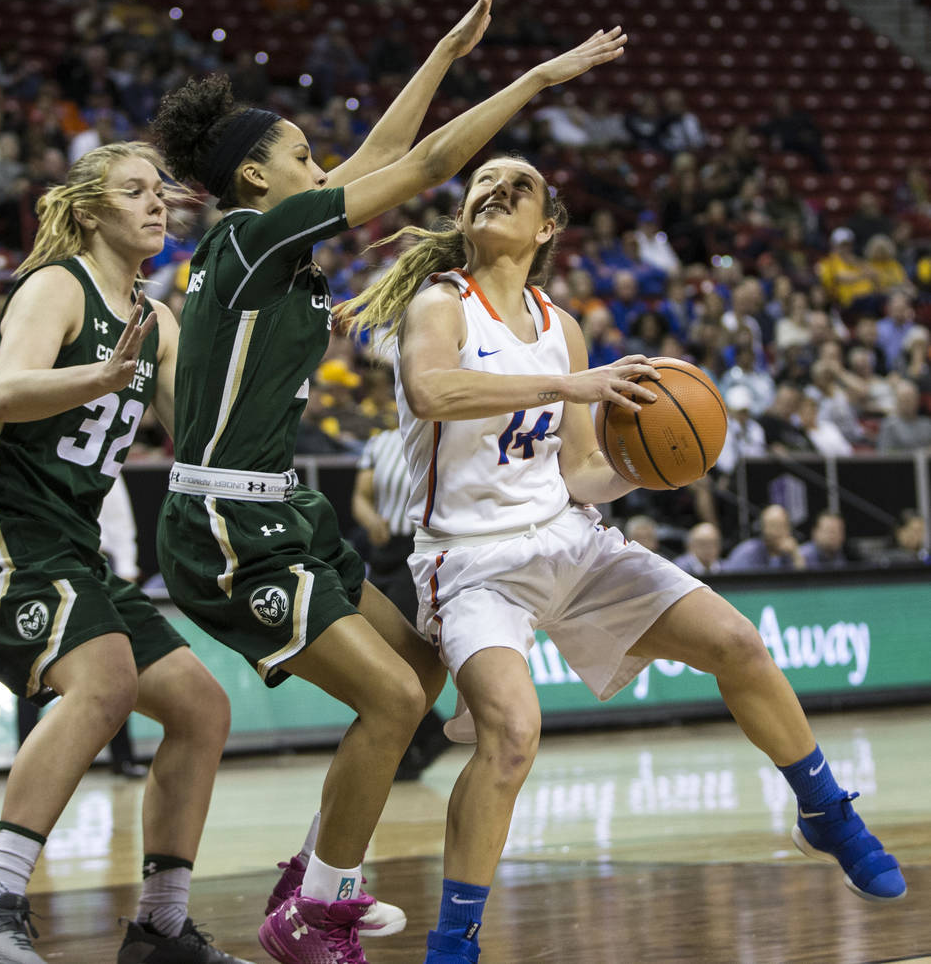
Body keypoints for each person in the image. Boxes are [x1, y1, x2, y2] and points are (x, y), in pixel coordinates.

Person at [149, 0, 630, 963]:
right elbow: (426, 165)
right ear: (255, 178)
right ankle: (316, 913)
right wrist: (536, 78)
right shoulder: (251, 237)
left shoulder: (272, 239)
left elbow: (381, 157)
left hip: (281, 510)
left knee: (419, 667)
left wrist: (448, 53)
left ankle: (312, 873)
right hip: (225, 521)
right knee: (394, 702)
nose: (323, 166)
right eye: (302, 155)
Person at [340, 155, 905, 964]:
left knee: (737, 643)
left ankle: (825, 811)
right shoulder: (442, 304)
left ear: (547, 227)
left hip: (571, 539)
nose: (497, 189)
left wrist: (649, 466)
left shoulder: (561, 327)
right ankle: (454, 943)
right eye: (484, 182)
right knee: (512, 735)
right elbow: (434, 392)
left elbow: (577, 470)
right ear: (462, 214)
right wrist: (569, 389)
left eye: (519, 185)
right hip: (471, 561)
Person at [0, 141, 256, 964]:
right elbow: (7, 392)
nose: (158, 203)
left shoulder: (159, 320)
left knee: (201, 708)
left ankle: (162, 928)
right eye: (135, 191)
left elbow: (199, 439)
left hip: (71, 542)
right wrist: (101, 378)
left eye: (161, 191)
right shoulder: (57, 285)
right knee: (105, 680)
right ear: (88, 210)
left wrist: (266, 362)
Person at [352, 425, 451, 782]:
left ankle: (416, 738)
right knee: (375, 652)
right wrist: (369, 519)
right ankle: (424, 734)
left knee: (398, 650)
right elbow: (361, 496)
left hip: (422, 550)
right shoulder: (379, 442)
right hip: (384, 550)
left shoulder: (446, 435)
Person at [723, 503, 806, 571]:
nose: (772, 532)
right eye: (769, 526)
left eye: (778, 526)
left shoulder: (790, 553)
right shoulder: (747, 553)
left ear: (788, 528)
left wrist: (796, 556)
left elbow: (803, 583)